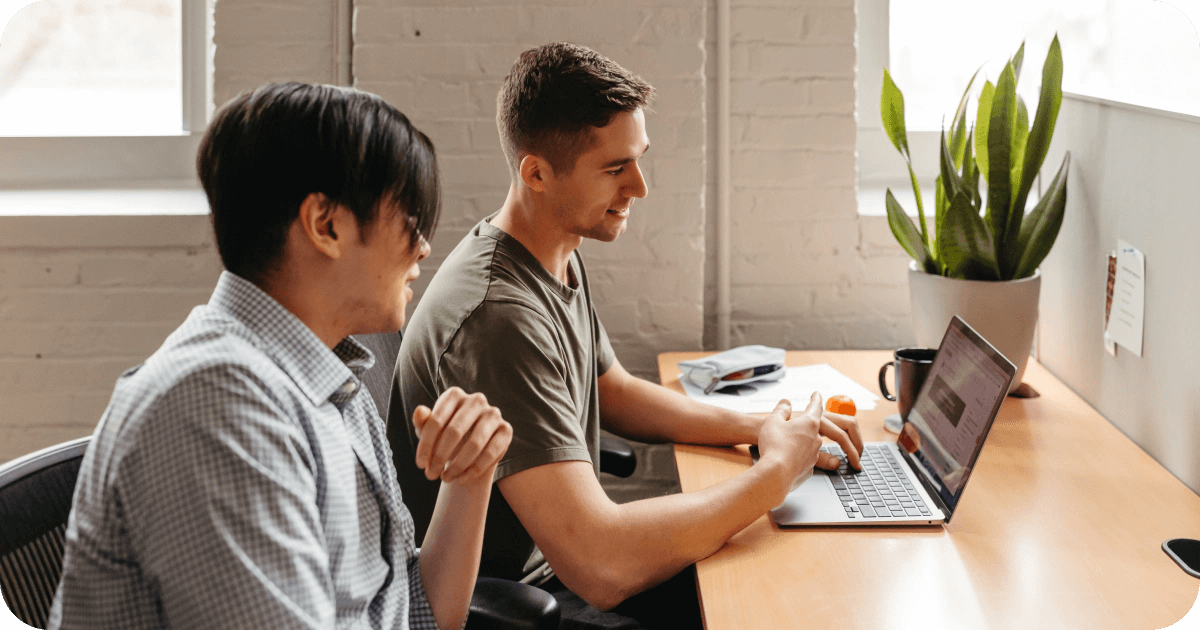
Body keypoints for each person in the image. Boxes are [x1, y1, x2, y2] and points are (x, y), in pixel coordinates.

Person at [391, 43, 863, 628]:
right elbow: (602, 567)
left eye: (637, 159)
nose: (639, 187)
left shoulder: (551, 247)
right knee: (772, 595)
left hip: (570, 561)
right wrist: (773, 475)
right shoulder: (498, 317)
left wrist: (762, 427)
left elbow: (609, 387)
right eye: (616, 169)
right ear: (535, 173)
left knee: (783, 568)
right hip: (530, 595)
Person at [49, 82, 512, 630]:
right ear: (326, 224)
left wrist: (469, 477)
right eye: (410, 220)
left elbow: (411, 614)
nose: (424, 247)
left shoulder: (330, 378)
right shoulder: (214, 404)